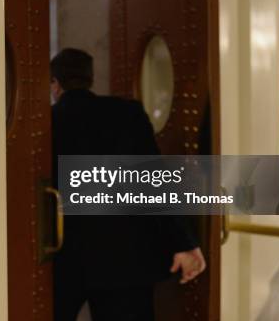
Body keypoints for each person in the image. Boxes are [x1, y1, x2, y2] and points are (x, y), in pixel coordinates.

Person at [51, 48, 206, 321]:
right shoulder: (127, 114)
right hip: (125, 259)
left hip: (64, 258)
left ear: (55, 84)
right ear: (90, 78)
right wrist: (183, 242)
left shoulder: (47, 122)